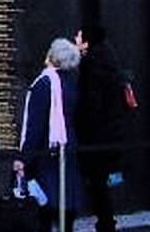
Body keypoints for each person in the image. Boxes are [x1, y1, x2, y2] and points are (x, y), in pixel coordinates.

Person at [14, 38, 83, 232]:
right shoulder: (69, 83)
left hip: (45, 154)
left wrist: (23, 158)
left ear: (52, 56)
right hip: (66, 148)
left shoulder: (44, 84)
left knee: (43, 207)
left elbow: (34, 125)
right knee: (64, 205)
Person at [76, 25, 126, 232]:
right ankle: (107, 223)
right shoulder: (109, 62)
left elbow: (91, 106)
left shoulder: (92, 67)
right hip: (111, 134)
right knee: (102, 184)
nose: (75, 39)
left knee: (98, 184)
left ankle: (106, 224)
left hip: (96, 138)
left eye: (79, 36)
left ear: (87, 42)